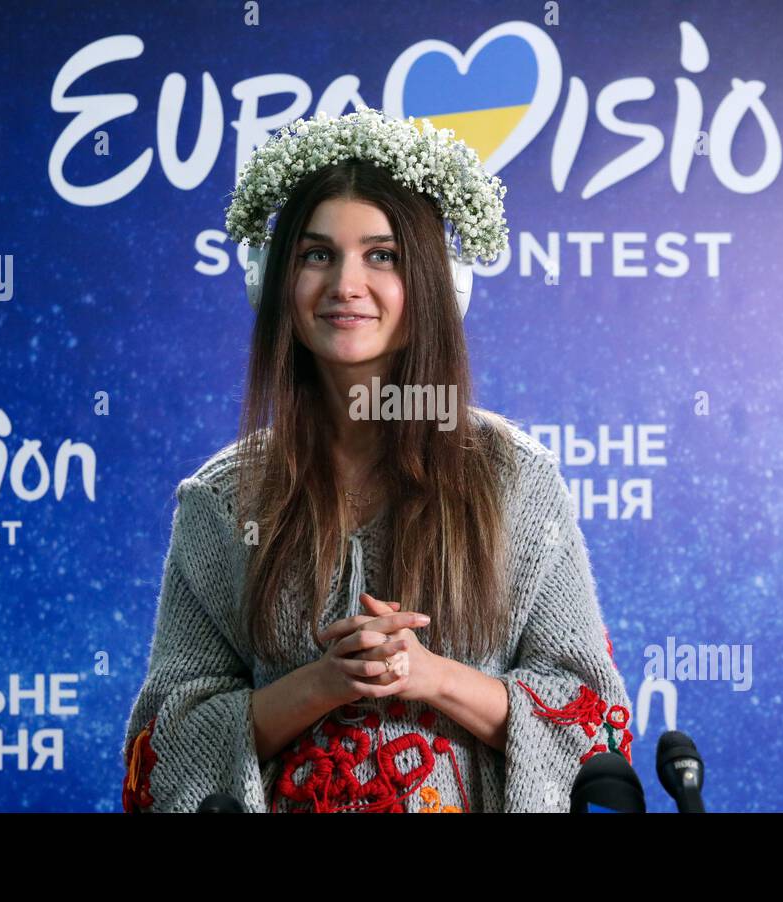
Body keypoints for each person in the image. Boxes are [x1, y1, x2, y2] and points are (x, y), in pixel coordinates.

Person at [123, 107, 632, 813]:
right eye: (316, 254)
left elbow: (593, 727)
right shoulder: (222, 501)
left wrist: (428, 676)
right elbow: (163, 751)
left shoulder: (514, 481)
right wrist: (322, 684)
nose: (345, 284)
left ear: (434, 284)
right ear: (275, 282)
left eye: (381, 255)